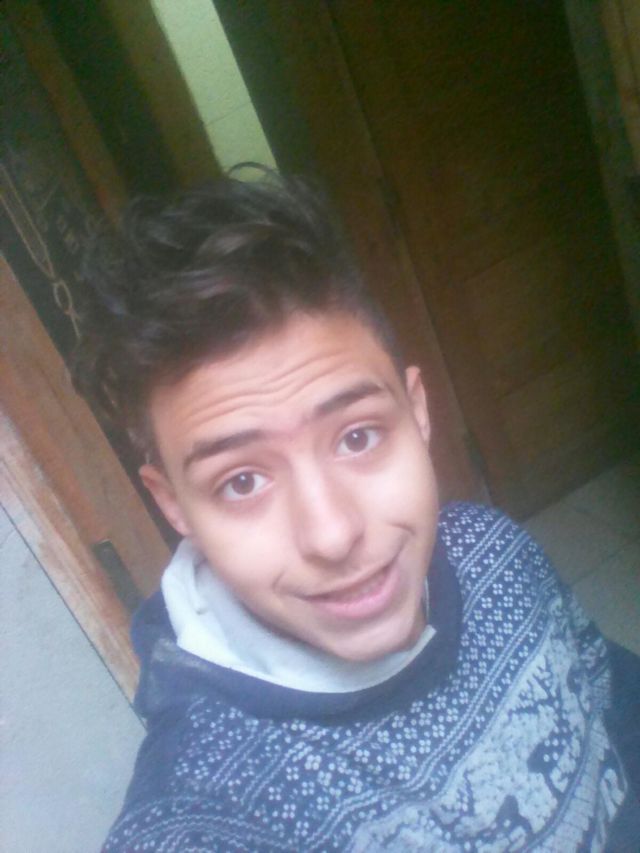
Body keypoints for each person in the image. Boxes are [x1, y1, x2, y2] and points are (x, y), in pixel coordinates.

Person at [74, 171, 639, 851]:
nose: (334, 534)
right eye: (242, 480)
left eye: (357, 436)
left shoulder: (495, 550)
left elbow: (616, 708)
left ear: (418, 412)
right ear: (174, 505)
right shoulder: (207, 817)